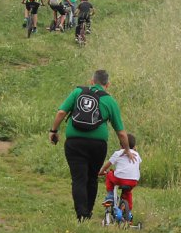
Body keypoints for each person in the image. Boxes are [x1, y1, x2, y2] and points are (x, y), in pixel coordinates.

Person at [49, 69, 132, 222]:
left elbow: (61, 113)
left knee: (79, 179)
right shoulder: (110, 101)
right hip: (98, 146)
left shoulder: (78, 92)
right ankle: (88, 212)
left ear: (91, 81)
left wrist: (53, 131)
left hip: (75, 143)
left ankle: (81, 214)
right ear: (107, 85)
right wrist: (127, 149)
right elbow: (121, 133)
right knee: (92, 178)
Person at [98, 132, 141, 223]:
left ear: (121, 145)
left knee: (109, 174)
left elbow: (107, 165)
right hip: (133, 180)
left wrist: (101, 172)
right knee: (127, 192)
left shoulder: (118, 153)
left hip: (120, 179)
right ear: (134, 146)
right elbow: (138, 167)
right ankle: (128, 211)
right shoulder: (137, 154)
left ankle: (110, 196)